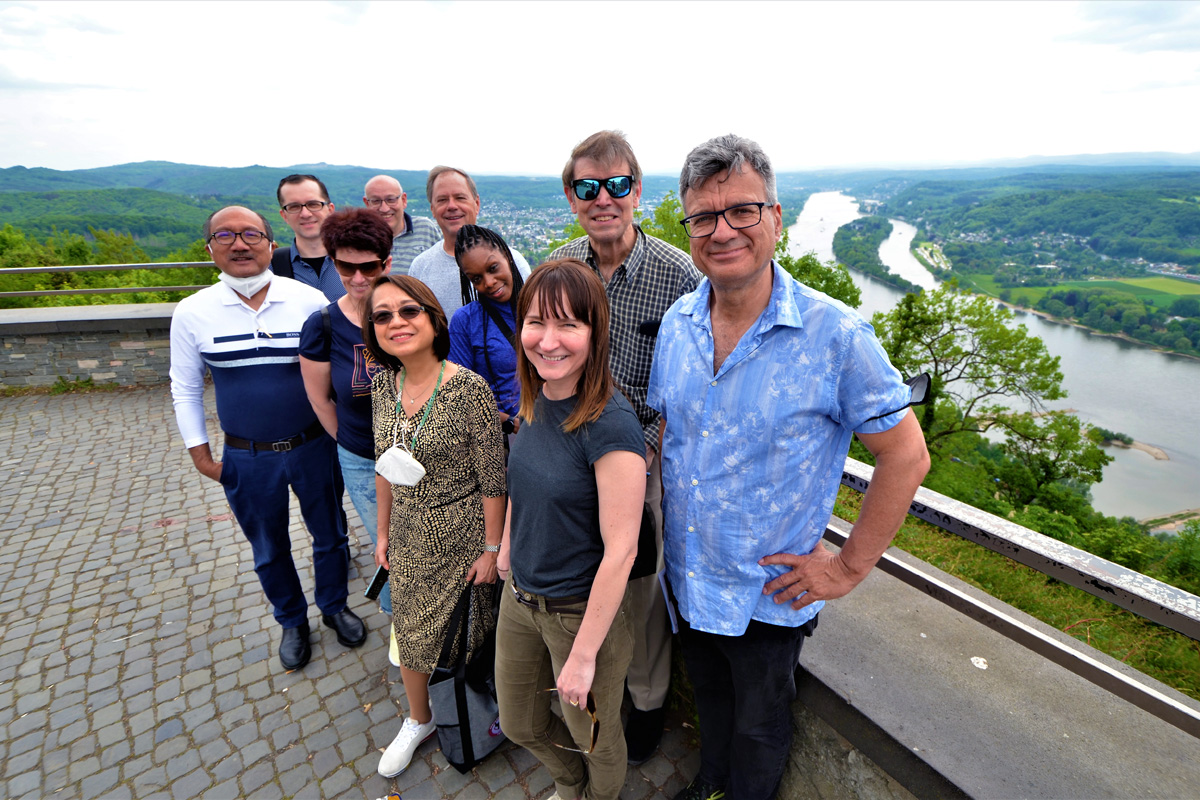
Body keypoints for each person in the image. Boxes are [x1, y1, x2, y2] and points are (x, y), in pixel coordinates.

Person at [648, 134, 931, 800]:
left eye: (742, 210)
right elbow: (670, 432)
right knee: (711, 698)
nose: (723, 230)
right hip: (689, 575)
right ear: (689, 229)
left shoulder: (837, 336)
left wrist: (847, 567)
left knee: (759, 725)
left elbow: (906, 455)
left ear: (775, 217)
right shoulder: (678, 323)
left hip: (768, 594)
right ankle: (709, 785)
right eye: (703, 217)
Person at [550, 130, 702, 762]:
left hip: (645, 459)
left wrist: (642, 458)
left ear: (637, 190)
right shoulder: (561, 266)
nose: (603, 199)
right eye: (588, 187)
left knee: (638, 584)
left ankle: (647, 696)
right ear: (571, 196)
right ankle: (588, 682)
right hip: (572, 450)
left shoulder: (678, 274)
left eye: (616, 184)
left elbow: (692, 382)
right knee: (579, 573)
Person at [169, 206, 365, 673]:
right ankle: (291, 620)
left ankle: (334, 605)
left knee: (331, 535)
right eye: (225, 236)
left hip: (314, 445)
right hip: (247, 454)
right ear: (209, 249)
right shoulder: (192, 312)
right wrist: (201, 455)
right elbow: (185, 386)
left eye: (251, 234)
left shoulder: (308, 300)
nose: (240, 244)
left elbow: (335, 372)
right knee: (268, 547)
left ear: (271, 244)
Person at [495, 259, 647, 800]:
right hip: (521, 599)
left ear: (595, 333)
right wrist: (506, 549)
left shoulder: (611, 425)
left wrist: (583, 656)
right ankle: (568, 784)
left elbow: (622, 550)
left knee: (596, 738)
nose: (548, 340)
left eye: (568, 325)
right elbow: (522, 484)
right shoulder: (536, 396)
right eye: (536, 322)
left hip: (579, 614)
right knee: (519, 723)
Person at [364, 275, 507, 779]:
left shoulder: (469, 389)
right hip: (407, 533)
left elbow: (494, 479)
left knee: (464, 636)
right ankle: (419, 718)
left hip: (462, 534)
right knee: (408, 632)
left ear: (432, 318)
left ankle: (479, 713)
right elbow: (385, 465)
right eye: (383, 315)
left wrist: (491, 549)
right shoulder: (382, 386)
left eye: (409, 311)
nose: (396, 323)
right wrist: (382, 534)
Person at [298, 208, 395, 625]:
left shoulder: (409, 312)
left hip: (420, 453)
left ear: (386, 263)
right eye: (345, 267)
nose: (357, 278)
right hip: (363, 459)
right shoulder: (323, 325)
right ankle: (401, 624)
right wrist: (351, 443)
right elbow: (320, 399)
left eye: (368, 267)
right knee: (387, 546)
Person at [409, 165, 531, 319]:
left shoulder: (512, 261)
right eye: (442, 200)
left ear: (476, 204)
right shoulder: (420, 267)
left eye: (460, 198)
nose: (452, 206)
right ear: (432, 210)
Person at [448, 224, 524, 429]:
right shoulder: (466, 321)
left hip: (551, 424)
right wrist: (509, 422)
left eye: (493, 268)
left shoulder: (541, 304)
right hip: (500, 435)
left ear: (507, 256)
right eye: (476, 278)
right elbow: (459, 393)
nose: (489, 282)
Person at [275, 173, 344, 301]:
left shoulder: (360, 263)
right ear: (284, 216)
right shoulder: (272, 268)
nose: (305, 214)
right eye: (294, 207)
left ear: (330, 210)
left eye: (313, 204)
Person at [363, 174, 441, 275]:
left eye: (391, 199)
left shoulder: (426, 229)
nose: (384, 209)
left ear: (404, 200)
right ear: (367, 203)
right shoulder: (358, 237)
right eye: (376, 201)